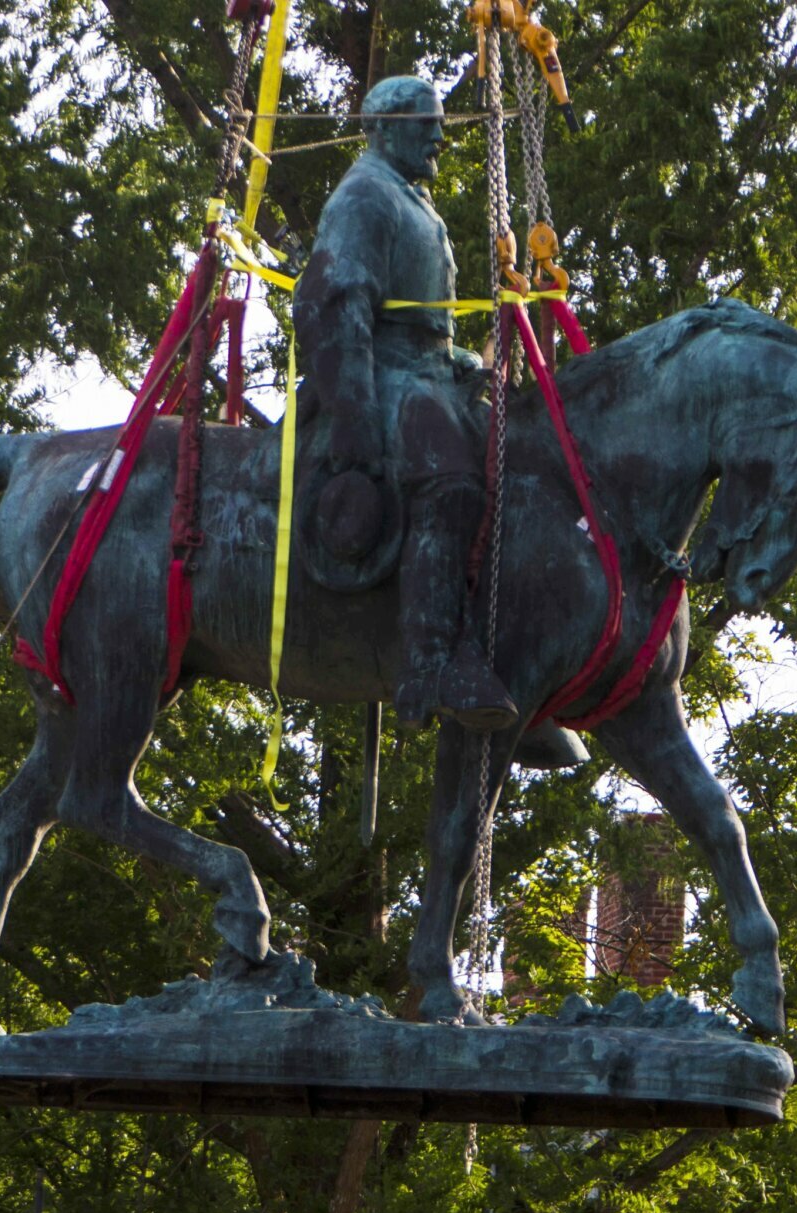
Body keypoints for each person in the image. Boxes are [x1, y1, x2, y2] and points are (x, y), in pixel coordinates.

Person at [292, 76, 518, 731]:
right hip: (380, 376)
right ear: (385, 126)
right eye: (425, 123)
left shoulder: (410, 199)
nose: (439, 137)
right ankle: (431, 666)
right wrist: (354, 414)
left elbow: (424, 321)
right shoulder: (364, 195)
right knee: (450, 485)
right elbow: (341, 305)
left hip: (425, 371)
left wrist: (460, 363)